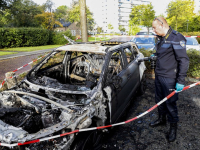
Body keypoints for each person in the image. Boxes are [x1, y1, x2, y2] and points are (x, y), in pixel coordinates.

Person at [149, 17, 189, 142]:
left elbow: (183, 60)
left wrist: (180, 81)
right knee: (159, 100)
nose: (153, 30)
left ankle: (173, 127)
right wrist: (155, 55)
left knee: (170, 103)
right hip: (159, 75)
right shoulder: (161, 38)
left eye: (155, 27)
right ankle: (162, 119)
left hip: (170, 78)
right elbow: (162, 53)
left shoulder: (176, 38)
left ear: (162, 25)